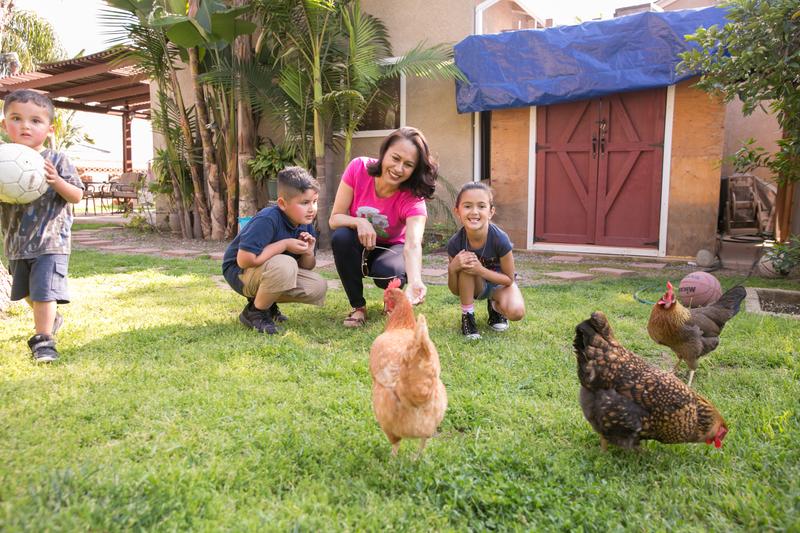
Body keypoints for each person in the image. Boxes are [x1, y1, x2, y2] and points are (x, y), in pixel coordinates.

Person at [0, 89, 85, 362]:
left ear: (50, 129)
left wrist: (56, 181)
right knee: (26, 292)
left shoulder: (58, 160)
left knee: (44, 291)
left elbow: (77, 195)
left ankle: (44, 341)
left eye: (35, 121)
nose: (25, 125)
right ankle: (52, 319)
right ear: (4, 125)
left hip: (51, 241)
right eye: (16, 118)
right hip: (15, 243)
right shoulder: (2, 162)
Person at [329, 126, 437, 327]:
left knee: (389, 272)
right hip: (357, 244)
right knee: (341, 237)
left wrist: (415, 281)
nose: (398, 169)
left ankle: (391, 300)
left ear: (415, 169)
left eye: (408, 164)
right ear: (384, 152)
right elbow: (335, 218)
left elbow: (413, 244)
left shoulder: (413, 199)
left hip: (390, 248)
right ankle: (358, 307)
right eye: (395, 158)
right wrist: (359, 221)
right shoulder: (358, 168)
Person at [222, 166, 327, 334]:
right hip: (240, 272)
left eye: (314, 201)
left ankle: (267, 304)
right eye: (304, 202)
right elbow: (244, 260)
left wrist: (308, 251)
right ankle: (255, 312)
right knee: (285, 264)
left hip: (269, 270)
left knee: (317, 286)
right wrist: (284, 244)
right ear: (282, 204)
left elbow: (306, 267)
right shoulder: (268, 218)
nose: (311, 209)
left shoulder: (305, 223)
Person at [446, 182, 525, 340]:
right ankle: (468, 317)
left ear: (491, 211)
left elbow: (509, 279)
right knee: (466, 263)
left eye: (481, 206)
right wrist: (452, 268)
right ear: (457, 211)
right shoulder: (455, 243)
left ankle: (495, 307)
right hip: (475, 285)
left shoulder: (500, 239)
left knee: (516, 312)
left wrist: (480, 270)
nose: (474, 212)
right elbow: (455, 291)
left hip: (500, 284)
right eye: (467, 206)